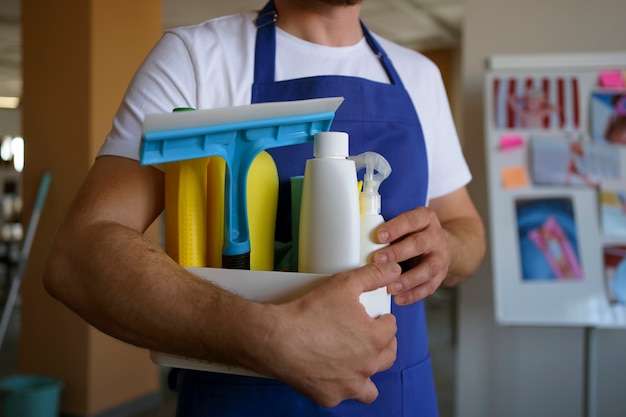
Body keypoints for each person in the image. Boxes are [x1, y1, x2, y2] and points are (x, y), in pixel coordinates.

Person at [43, 0, 485, 416]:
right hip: (241, 399)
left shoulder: (419, 76)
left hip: (396, 395)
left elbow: (467, 231)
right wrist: (267, 336)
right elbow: (79, 255)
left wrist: (445, 247)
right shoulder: (196, 58)